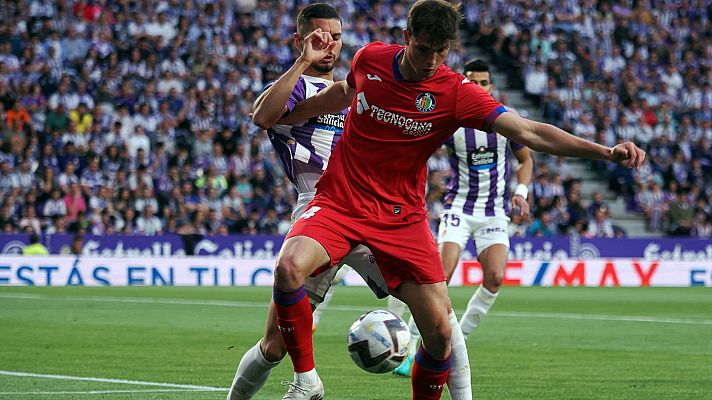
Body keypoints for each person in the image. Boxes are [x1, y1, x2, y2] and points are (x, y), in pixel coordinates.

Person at [276, 1, 644, 399]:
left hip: (402, 220)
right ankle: (307, 382)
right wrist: (292, 113)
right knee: (289, 266)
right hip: (340, 201)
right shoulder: (371, 59)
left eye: (441, 51)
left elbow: (531, 133)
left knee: (438, 334)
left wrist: (604, 152)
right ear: (406, 38)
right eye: (423, 49)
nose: (431, 60)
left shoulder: (455, 92)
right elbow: (340, 96)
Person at [227, 5, 396, 400]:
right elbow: (262, 117)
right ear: (300, 40)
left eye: (335, 36)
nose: (328, 44)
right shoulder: (295, 89)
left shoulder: (355, 92)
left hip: (369, 211)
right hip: (319, 211)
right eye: (318, 37)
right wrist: (304, 61)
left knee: (434, 307)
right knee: (274, 345)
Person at [392, 59, 534, 377]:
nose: (480, 88)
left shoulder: (506, 122)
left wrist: (521, 192)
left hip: (494, 211)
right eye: (474, 82)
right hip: (459, 208)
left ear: (491, 87)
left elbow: (526, 160)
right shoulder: (453, 121)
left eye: (484, 83)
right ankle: (412, 348)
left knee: (495, 277)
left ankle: (460, 341)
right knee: (439, 277)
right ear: (465, 84)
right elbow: (419, 147)